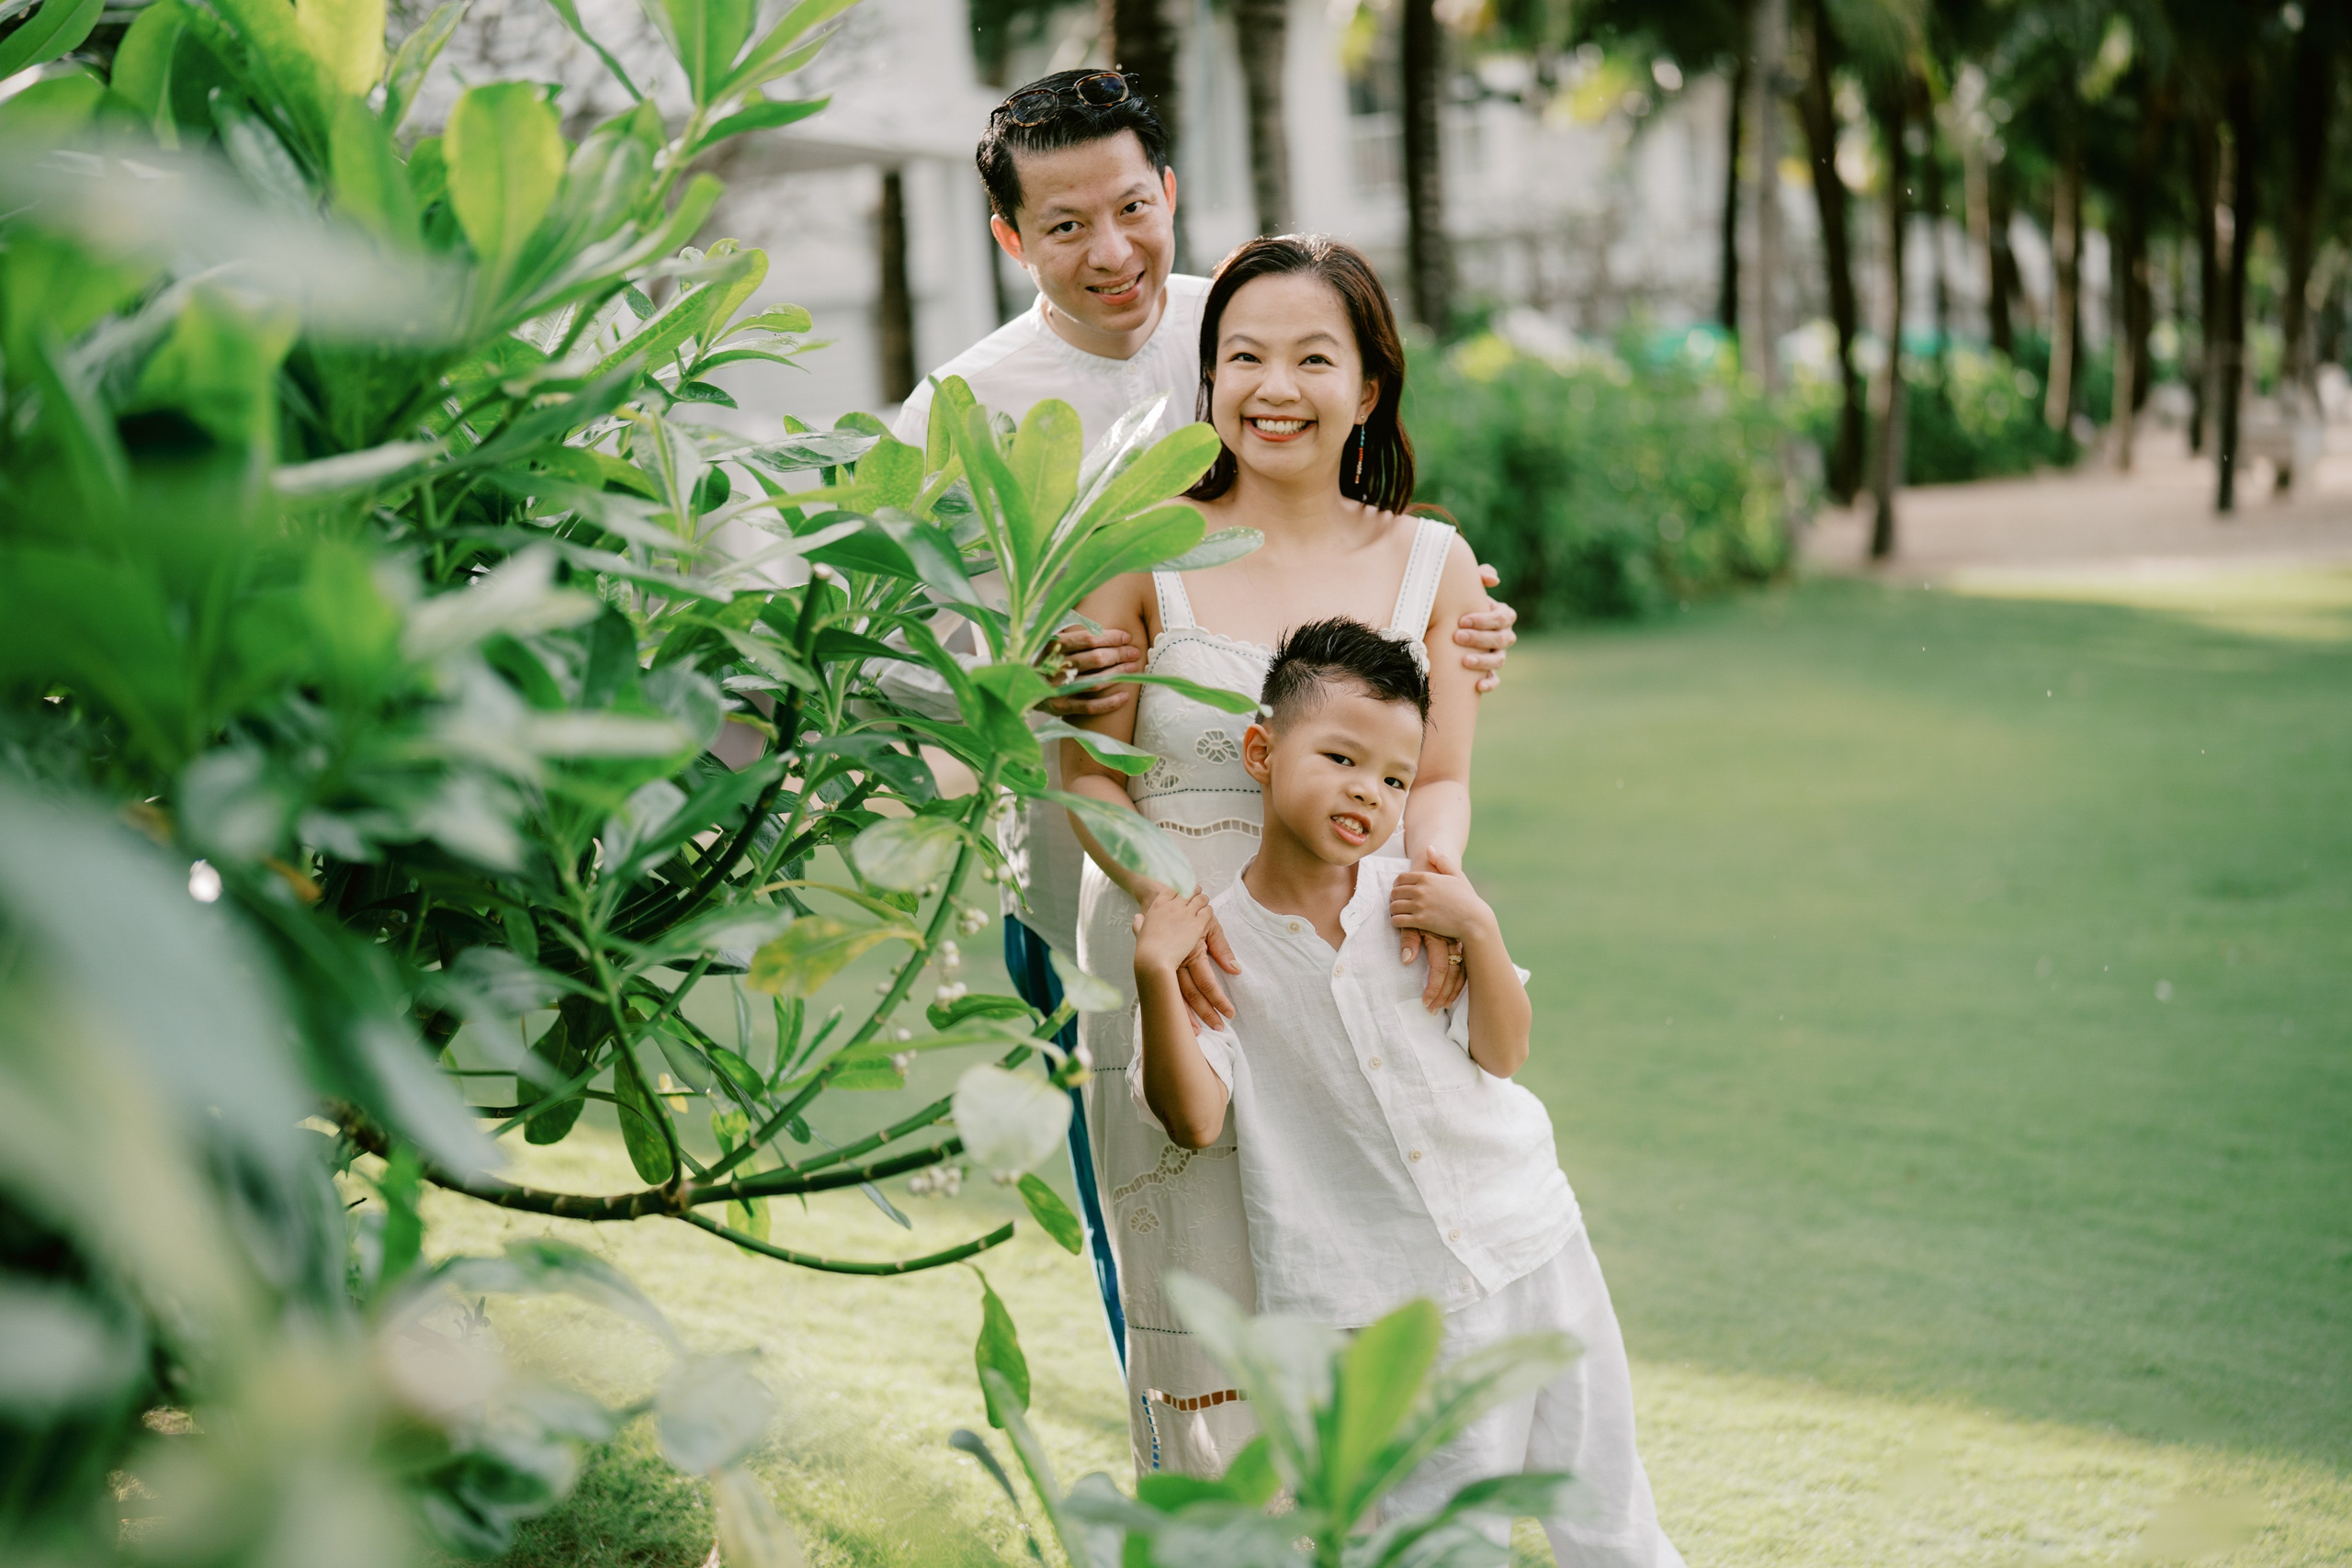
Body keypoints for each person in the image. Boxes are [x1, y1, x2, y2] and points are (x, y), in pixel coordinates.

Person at [887, 70, 1520, 1369]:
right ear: (1011, 238)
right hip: (1107, 869)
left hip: (1324, 874)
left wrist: (1459, 619)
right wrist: (1018, 675)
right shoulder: (966, 410)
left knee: (1367, 1202)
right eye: (1066, 226)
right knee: (1174, 1233)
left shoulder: (1244, 323)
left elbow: (1356, 518)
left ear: (1169, 191)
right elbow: (896, 648)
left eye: (1133, 206)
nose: (1113, 249)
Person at [1059, 232, 1487, 1475]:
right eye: (1243, 356)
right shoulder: (1144, 548)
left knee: (1377, 1281)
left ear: (1369, 386)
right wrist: (1161, 900)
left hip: (1356, 962)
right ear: (1211, 381)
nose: (1274, 387)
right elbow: (1084, 769)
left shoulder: (1434, 563)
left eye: (1312, 357)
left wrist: (1440, 873)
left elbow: (1444, 772)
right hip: (1177, 960)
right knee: (1206, 1298)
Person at [1128, 619, 1685, 1568]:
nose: (1367, 793)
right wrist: (1151, 973)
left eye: (1392, 779)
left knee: (1608, 1517)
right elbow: (1195, 1117)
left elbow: (1503, 1054)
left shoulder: (1418, 906)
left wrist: (1480, 927)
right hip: (1382, 1304)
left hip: (1531, 1240)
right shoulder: (1214, 945)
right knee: (1430, 1547)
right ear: (1261, 752)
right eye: (1340, 757)